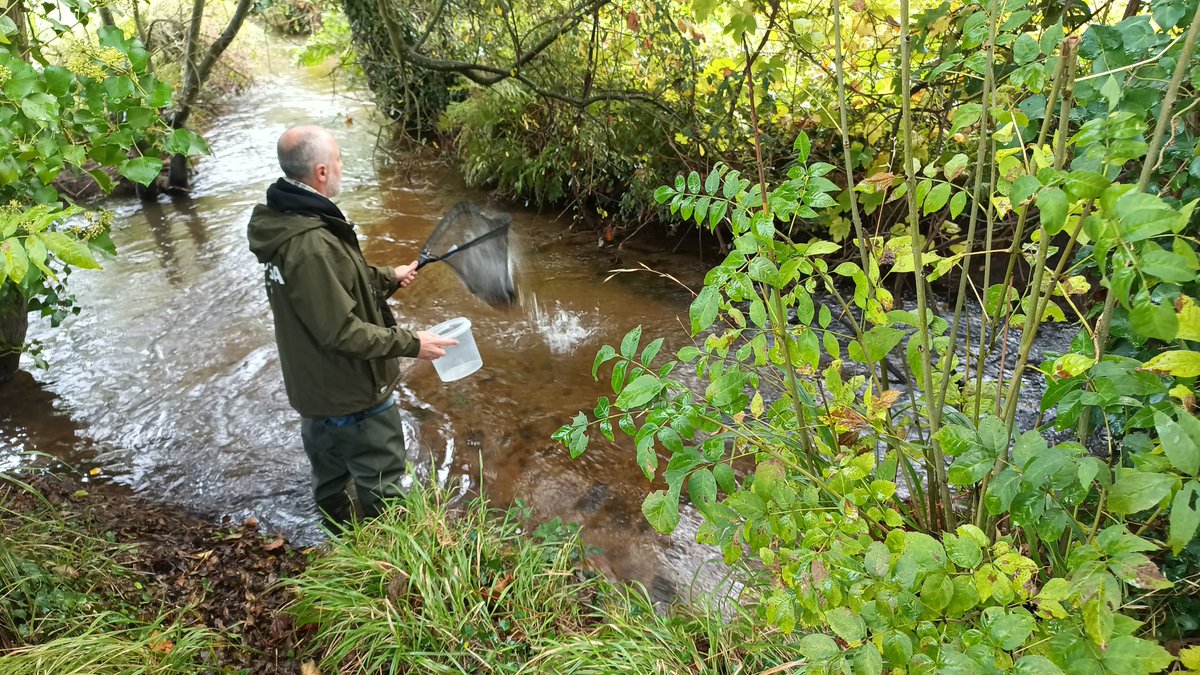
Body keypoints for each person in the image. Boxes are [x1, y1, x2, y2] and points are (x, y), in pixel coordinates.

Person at [246, 125, 456, 529]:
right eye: (339, 158)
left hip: (316, 392)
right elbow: (340, 331)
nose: (343, 165)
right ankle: (393, 564)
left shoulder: (288, 219)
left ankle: (340, 550)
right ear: (321, 172)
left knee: (331, 483)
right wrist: (413, 344)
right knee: (385, 486)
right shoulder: (310, 244)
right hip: (352, 395)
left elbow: (332, 285)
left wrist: (386, 276)